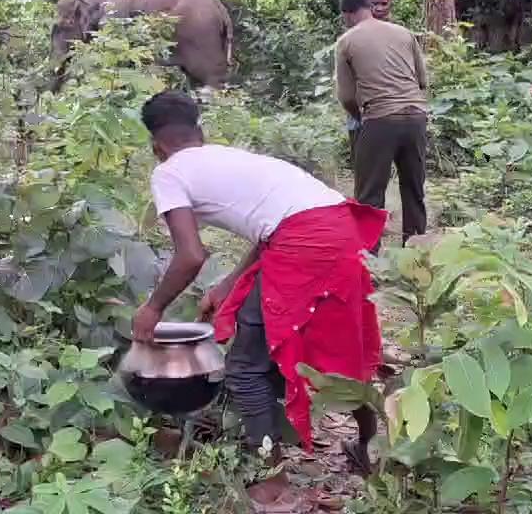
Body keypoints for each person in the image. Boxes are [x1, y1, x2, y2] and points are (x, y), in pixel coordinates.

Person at [131, 91, 385, 511]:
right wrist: (229, 284)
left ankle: (270, 481)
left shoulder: (169, 172)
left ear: (156, 146)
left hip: (304, 241)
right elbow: (270, 226)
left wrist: (152, 308)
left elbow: (191, 256)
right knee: (344, 348)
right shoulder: (232, 157)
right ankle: (367, 450)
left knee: (245, 370)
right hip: (340, 229)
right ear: (200, 131)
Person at [335, 0, 429, 244]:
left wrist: (361, 117)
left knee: (369, 194)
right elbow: (422, 80)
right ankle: (416, 249)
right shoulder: (404, 33)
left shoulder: (346, 42)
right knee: (414, 188)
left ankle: (369, 258)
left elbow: (346, 96)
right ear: (369, 7)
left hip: (380, 120)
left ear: (347, 14)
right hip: (417, 117)